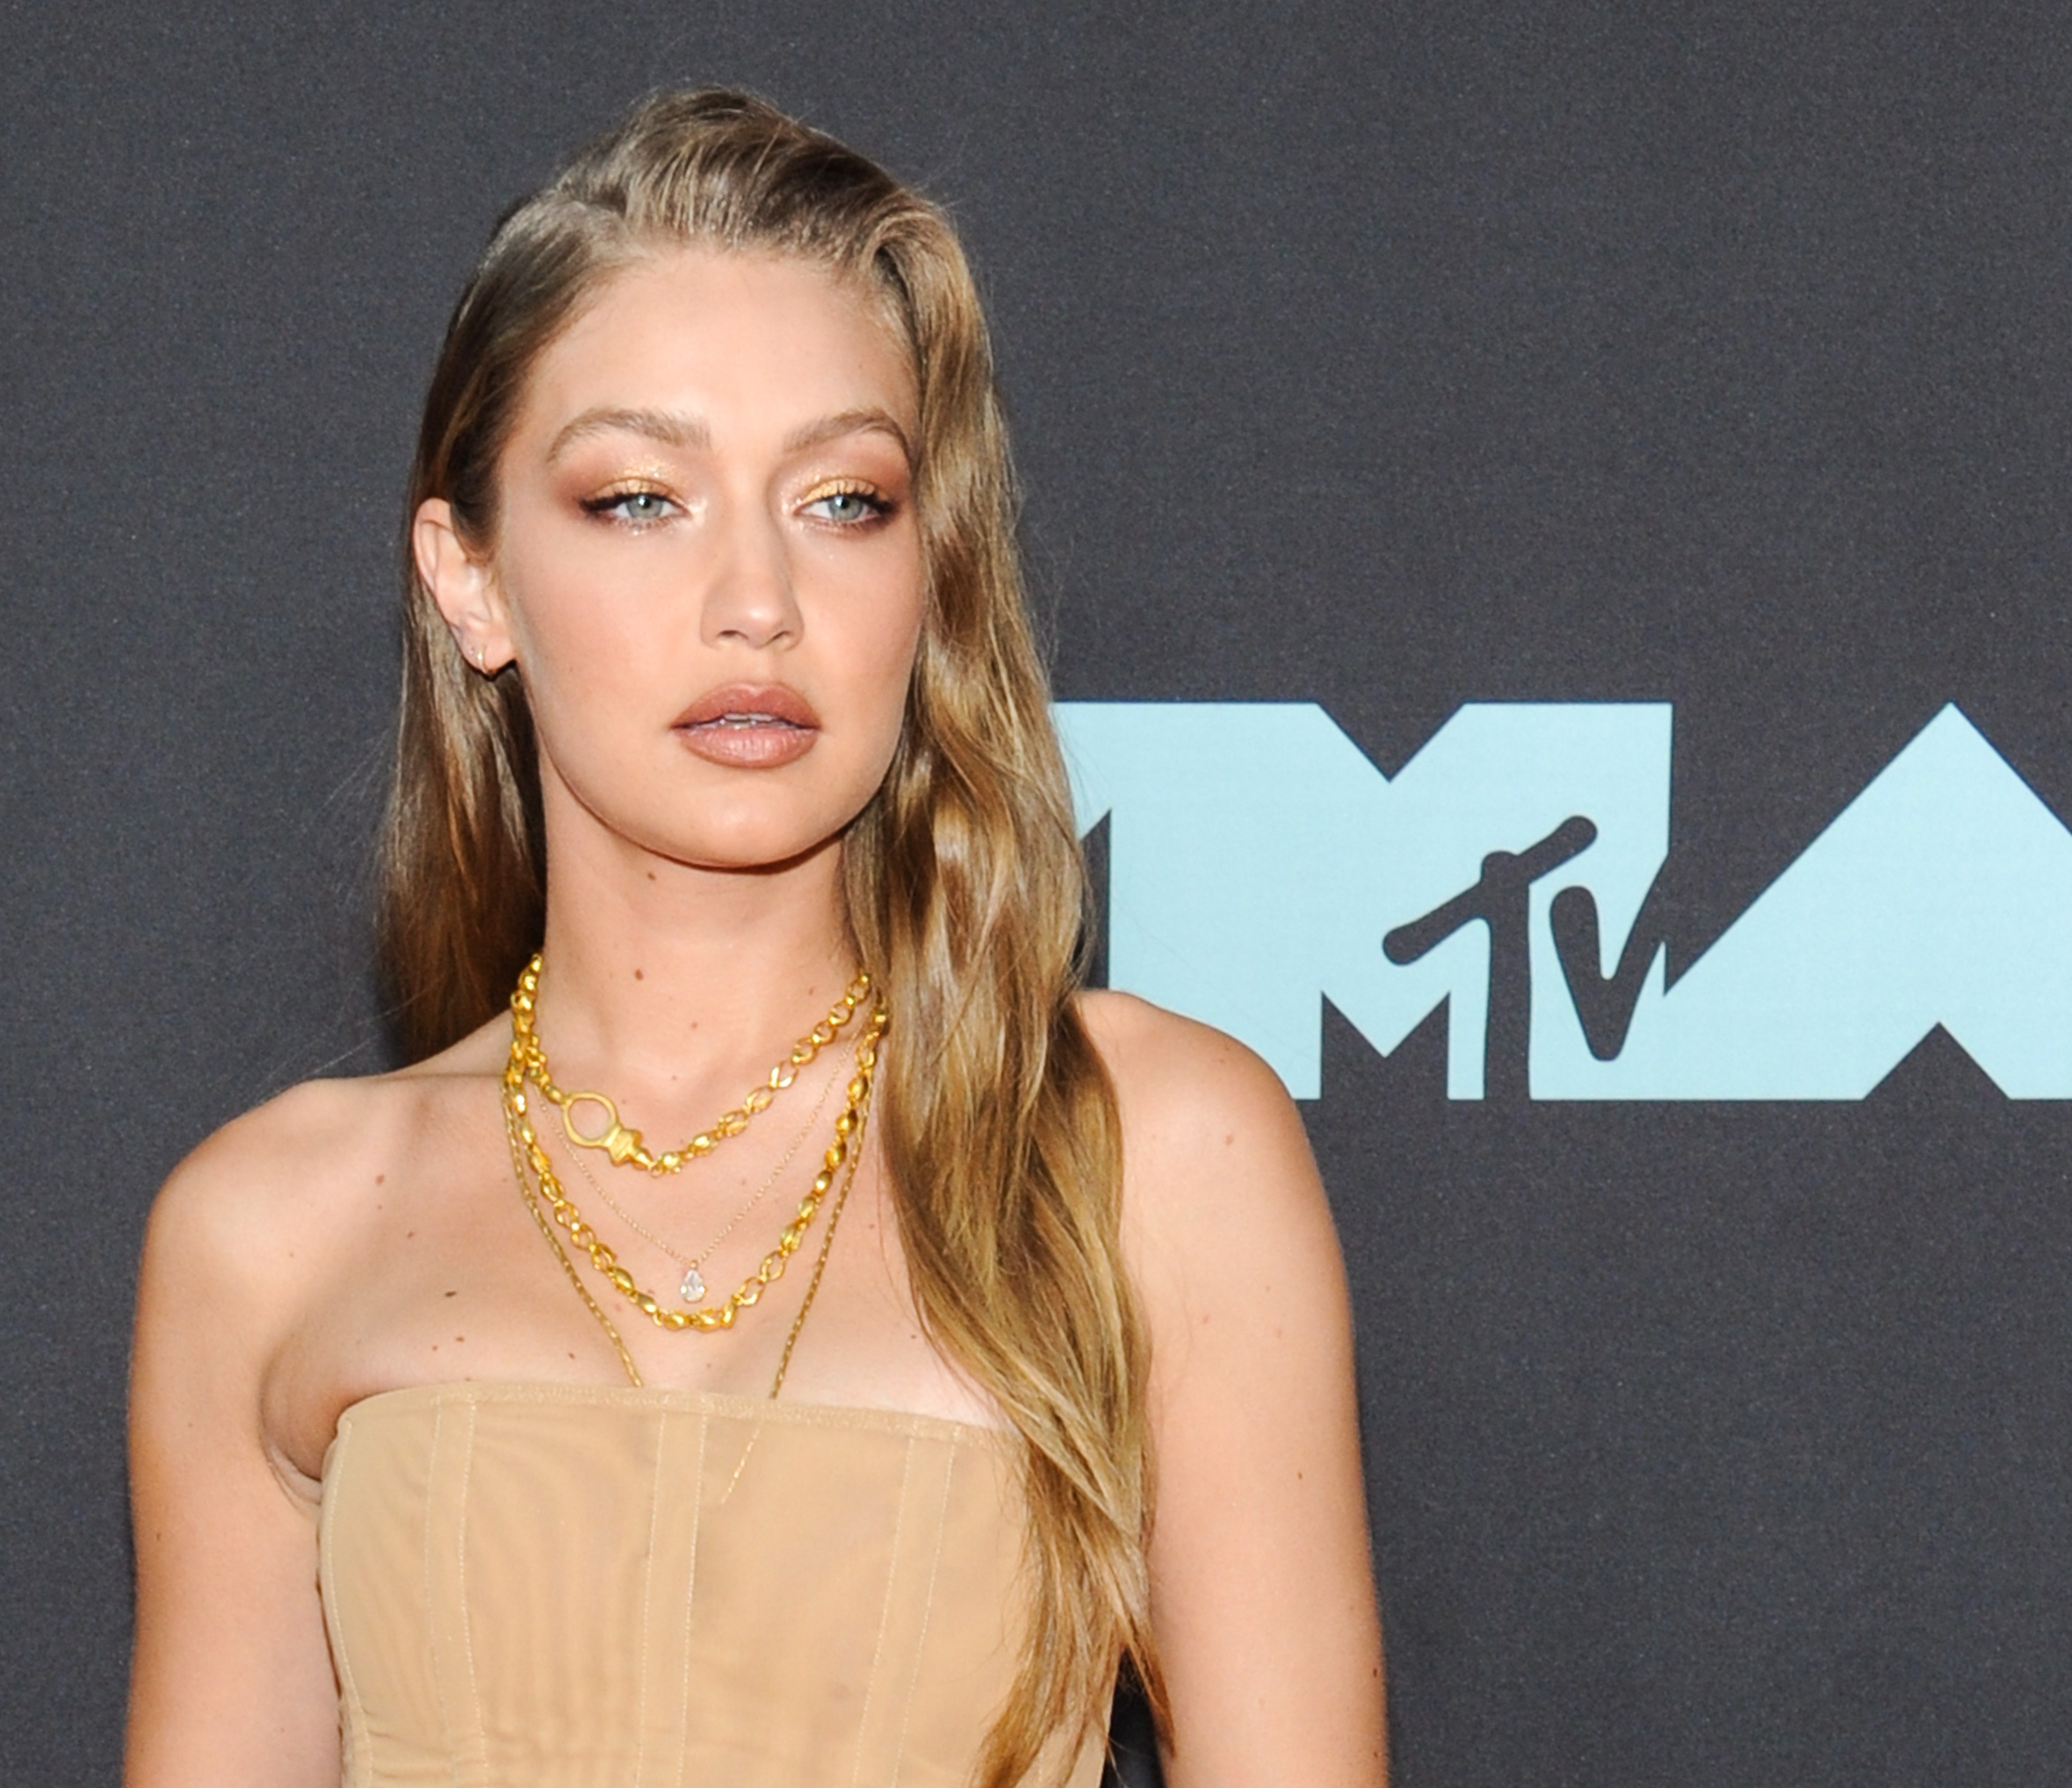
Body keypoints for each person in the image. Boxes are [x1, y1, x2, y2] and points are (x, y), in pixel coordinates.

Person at [124, 88, 1387, 1788]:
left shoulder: (1147, 1150)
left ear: (932, 571)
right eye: (640, 499)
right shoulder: (269, 1230)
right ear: (473, 577)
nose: (757, 605)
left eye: (844, 501)